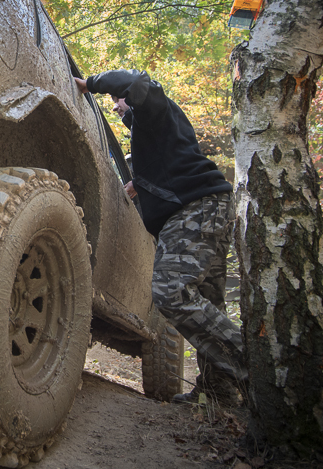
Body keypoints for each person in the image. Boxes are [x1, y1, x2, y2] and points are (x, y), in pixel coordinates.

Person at [75, 69, 247, 405]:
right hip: (207, 205)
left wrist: (91, 84)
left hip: (197, 207)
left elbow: (138, 82)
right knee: (207, 302)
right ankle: (219, 393)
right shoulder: (153, 132)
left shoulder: (154, 107)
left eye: (117, 100)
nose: (115, 106)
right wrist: (142, 184)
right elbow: (170, 161)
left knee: (171, 291)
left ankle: (256, 367)